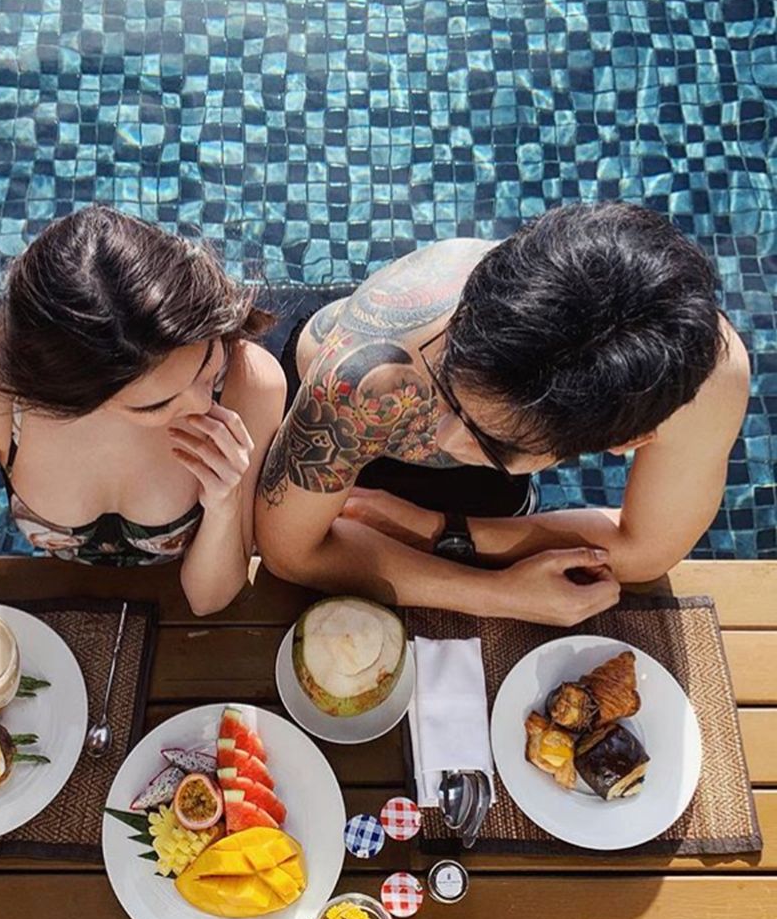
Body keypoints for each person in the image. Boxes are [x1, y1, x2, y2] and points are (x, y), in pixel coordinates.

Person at [0, 207, 285, 728]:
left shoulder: (249, 384)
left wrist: (225, 503)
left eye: (205, 365)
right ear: (69, 400)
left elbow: (210, 600)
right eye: (156, 405)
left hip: (177, 645)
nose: (202, 405)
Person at [255, 203, 749, 626]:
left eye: (487, 438)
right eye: (450, 385)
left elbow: (646, 551)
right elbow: (290, 553)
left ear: (627, 441)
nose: (443, 437)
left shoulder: (704, 382)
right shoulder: (365, 377)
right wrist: (499, 594)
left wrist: (436, 529)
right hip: (359, 400)